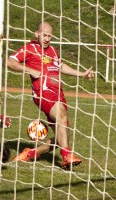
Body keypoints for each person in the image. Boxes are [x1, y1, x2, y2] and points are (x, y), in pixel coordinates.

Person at [7, 21, 94, 169]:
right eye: (44, 35)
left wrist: (82, 74)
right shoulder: (30, 48)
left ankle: (30, 154)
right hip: (43, 92)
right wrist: (30, 70)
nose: (47, 39)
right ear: (37, 34)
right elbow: (10, 61)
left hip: (58, 93)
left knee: (63, 134)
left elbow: (60, 66)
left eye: (50, 36)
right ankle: (67, 155)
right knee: (61, 116)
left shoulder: (53, 50)